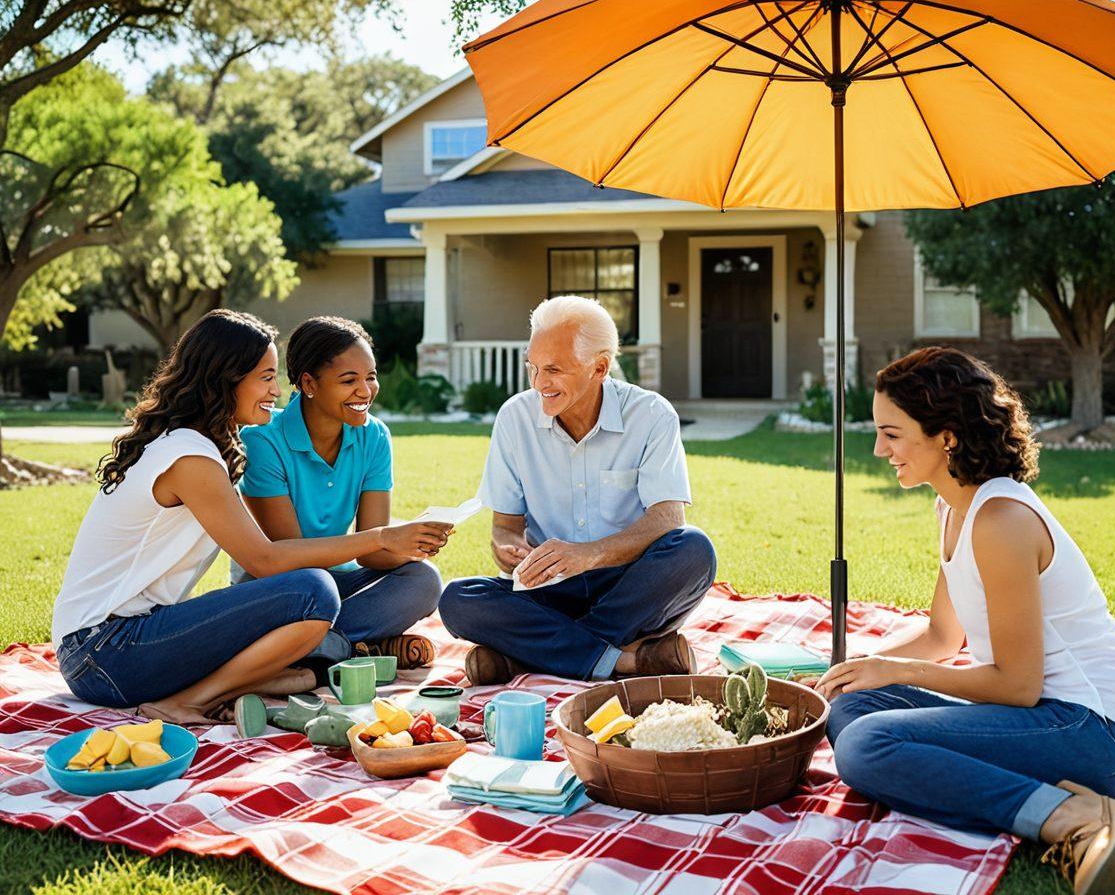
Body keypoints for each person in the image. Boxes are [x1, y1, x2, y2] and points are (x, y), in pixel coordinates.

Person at [815, 347, 1115, 895]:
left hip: (1099, 737)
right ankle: (1067, 802)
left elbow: (1018, 686)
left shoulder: (1001, 519)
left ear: (946, 434)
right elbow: (942, 636)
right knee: (850, 708)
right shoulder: (955, 507)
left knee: (866, 745)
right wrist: (851, 670)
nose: (879, 449)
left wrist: (897, 672)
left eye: (892, 434)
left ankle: (1075, 820)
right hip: (1044, 718)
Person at [51, 310, 449, 725]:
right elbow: (265, 560)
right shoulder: (190, 457)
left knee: (330, 591)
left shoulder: (199, 447)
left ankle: (295, 668)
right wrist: (383, 537)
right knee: (313, 590)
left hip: (118, 644)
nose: (277, 391)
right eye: (266, 377)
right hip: (103, 651)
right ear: (226, 378)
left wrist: (399, 540)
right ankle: (200, 699)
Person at [439, 295, 717, 685]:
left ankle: (526, 657)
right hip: (549, 592)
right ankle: (625, 661)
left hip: (627, 589)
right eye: (532, 367)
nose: (538, 383)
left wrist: (587, 555)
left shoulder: (652, 415)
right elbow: (505, 526)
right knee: (457, 599)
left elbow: (667, 520)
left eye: (553, 369)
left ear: (599, 367)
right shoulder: (514, 419)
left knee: (694, 550)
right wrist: (508, 548)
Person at [235, 316, 446, 670]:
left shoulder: (374, 436)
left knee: (424, 580)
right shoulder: (263, 440)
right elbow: (289, 559)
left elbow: (371, 556)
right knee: (313, 582)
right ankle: (362, 646)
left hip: (342, 581)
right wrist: (382, 538)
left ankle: (323, 649)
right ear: (309, 383)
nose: (365, 391)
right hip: (285, 585)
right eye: (349, 380)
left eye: (371, 377)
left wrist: (410, 543)